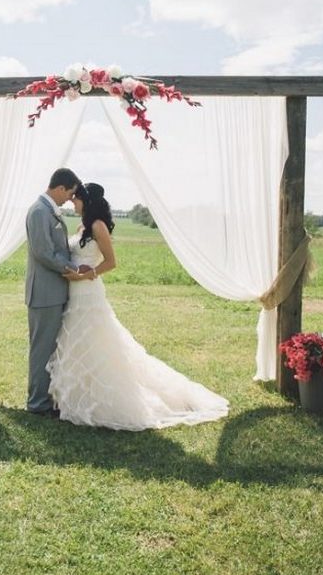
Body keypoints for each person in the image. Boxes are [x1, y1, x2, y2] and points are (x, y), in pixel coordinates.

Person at [46, 183, 229, 430]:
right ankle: (78, 396)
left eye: (76, 199)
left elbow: (111, 262)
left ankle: (104, 400)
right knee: (75, 342)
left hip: (89, 293)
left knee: (94, 341)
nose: (73, 203)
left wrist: (85, 275)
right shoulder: (82, 227)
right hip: (74, 294)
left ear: (86, 202)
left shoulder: (98, 226)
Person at [25, 167, 91, 416]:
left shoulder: (48, 211)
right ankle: (37, 403)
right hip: (44, 293)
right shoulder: (40, 211)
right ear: (60, 188)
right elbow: (44, 253)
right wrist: (71, 268)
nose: (69, 199)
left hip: (53, 292)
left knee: (50, 348)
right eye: (69, 193)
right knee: (41, 349)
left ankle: (46, 398)